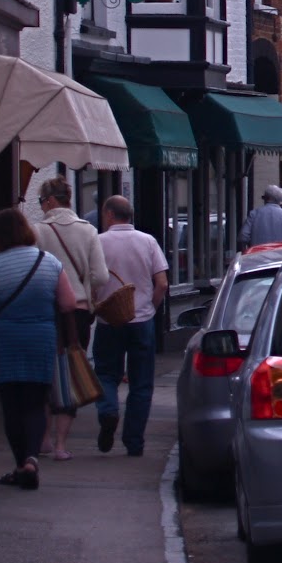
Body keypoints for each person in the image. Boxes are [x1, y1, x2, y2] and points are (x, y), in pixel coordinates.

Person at [0, 207, 75, 490]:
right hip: (40, 338)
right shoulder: (50, 262)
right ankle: (31, 459)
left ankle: (21, 464)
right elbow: (68, 303)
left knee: (11, 406)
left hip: (6, 339)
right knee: (35, 402)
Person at [33, 177, 110, 461]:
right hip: (77, 313)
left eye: (42, 202)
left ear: (51, 201)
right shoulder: (88, 231)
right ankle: (62, 445)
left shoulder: (38, 231)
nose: (41, 208)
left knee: (44, 375)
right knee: (71, 375)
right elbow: (101, 276)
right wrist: (86, 292)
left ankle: (43, 439)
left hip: (46, 312)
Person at [93, 196, 169, 457]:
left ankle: (108, 410)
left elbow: (90, 280)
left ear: (110, 215)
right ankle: (134, 441)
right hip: (141, 320)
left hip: (108, 321)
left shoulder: (99, 242)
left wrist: (97, 303)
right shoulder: (148, 241)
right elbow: (162, 283)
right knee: (141, 383)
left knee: (105, 373)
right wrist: (151, 308)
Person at [239, 185, 282, 250]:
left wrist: (247, 251)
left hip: (258, 256)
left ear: (265, 199)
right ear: (280, 201)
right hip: (280, 256)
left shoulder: (254, 214)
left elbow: (243, 237)